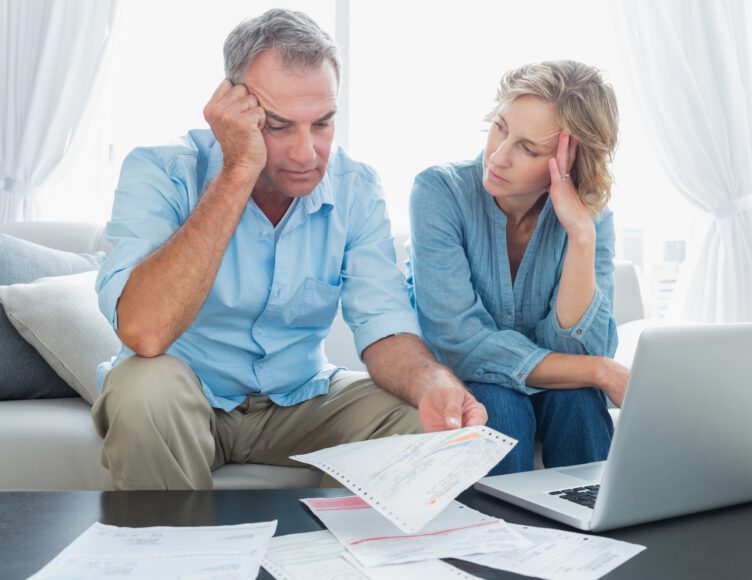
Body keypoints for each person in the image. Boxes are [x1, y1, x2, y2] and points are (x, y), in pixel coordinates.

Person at [91, 9, 486, 491]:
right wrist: (237, 171)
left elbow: (384, 323)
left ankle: (342, 565)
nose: (306, 154)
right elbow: (144, 332)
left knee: (420, 420)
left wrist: (433, 383)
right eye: (278, 127)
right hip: (187, 398)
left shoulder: (356, 187)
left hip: (301, 399)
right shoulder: (161, 171)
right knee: (140, 387)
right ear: (232, 109)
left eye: (322, 124)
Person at [406, 60, 629, 475]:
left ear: (573, 161)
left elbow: (581, 350)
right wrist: (601, 371)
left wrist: (580, 236)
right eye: (500, 127)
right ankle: (494, 539)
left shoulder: (591, 219)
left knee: (579, 401)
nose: (498, 156)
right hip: (467, 384)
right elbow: (461, 344)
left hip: (558, 389)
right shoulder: (439, 192)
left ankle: (596, 533)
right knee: (500, 407)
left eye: (528, 149)